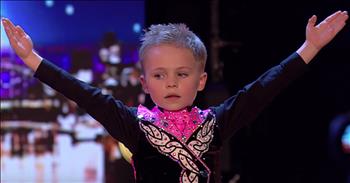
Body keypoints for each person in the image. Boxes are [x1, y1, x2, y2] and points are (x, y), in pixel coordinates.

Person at [1, 10, 348, 183]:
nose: (170, 83)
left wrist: (309, 47)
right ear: (144, 83)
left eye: (181, 75)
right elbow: (84, 94)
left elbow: (263, 89)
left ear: (201, 81)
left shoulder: (214, 123)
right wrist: (32, 58)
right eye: (159, 75)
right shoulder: (135, 126)